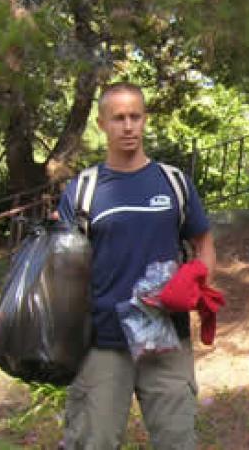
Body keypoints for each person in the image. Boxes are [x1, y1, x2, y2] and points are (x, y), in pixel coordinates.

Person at [57, 83, 216, 449]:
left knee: (177, 441)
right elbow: (63, 265)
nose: (128, 126)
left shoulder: (173, 182)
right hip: (102, 342)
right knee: (92, 443)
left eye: (135, 117)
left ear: (145, 120)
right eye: (118, 118)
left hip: (165, 338)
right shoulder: (84, 189)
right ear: (101, 124)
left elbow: (203, 241)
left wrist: (198, 282)